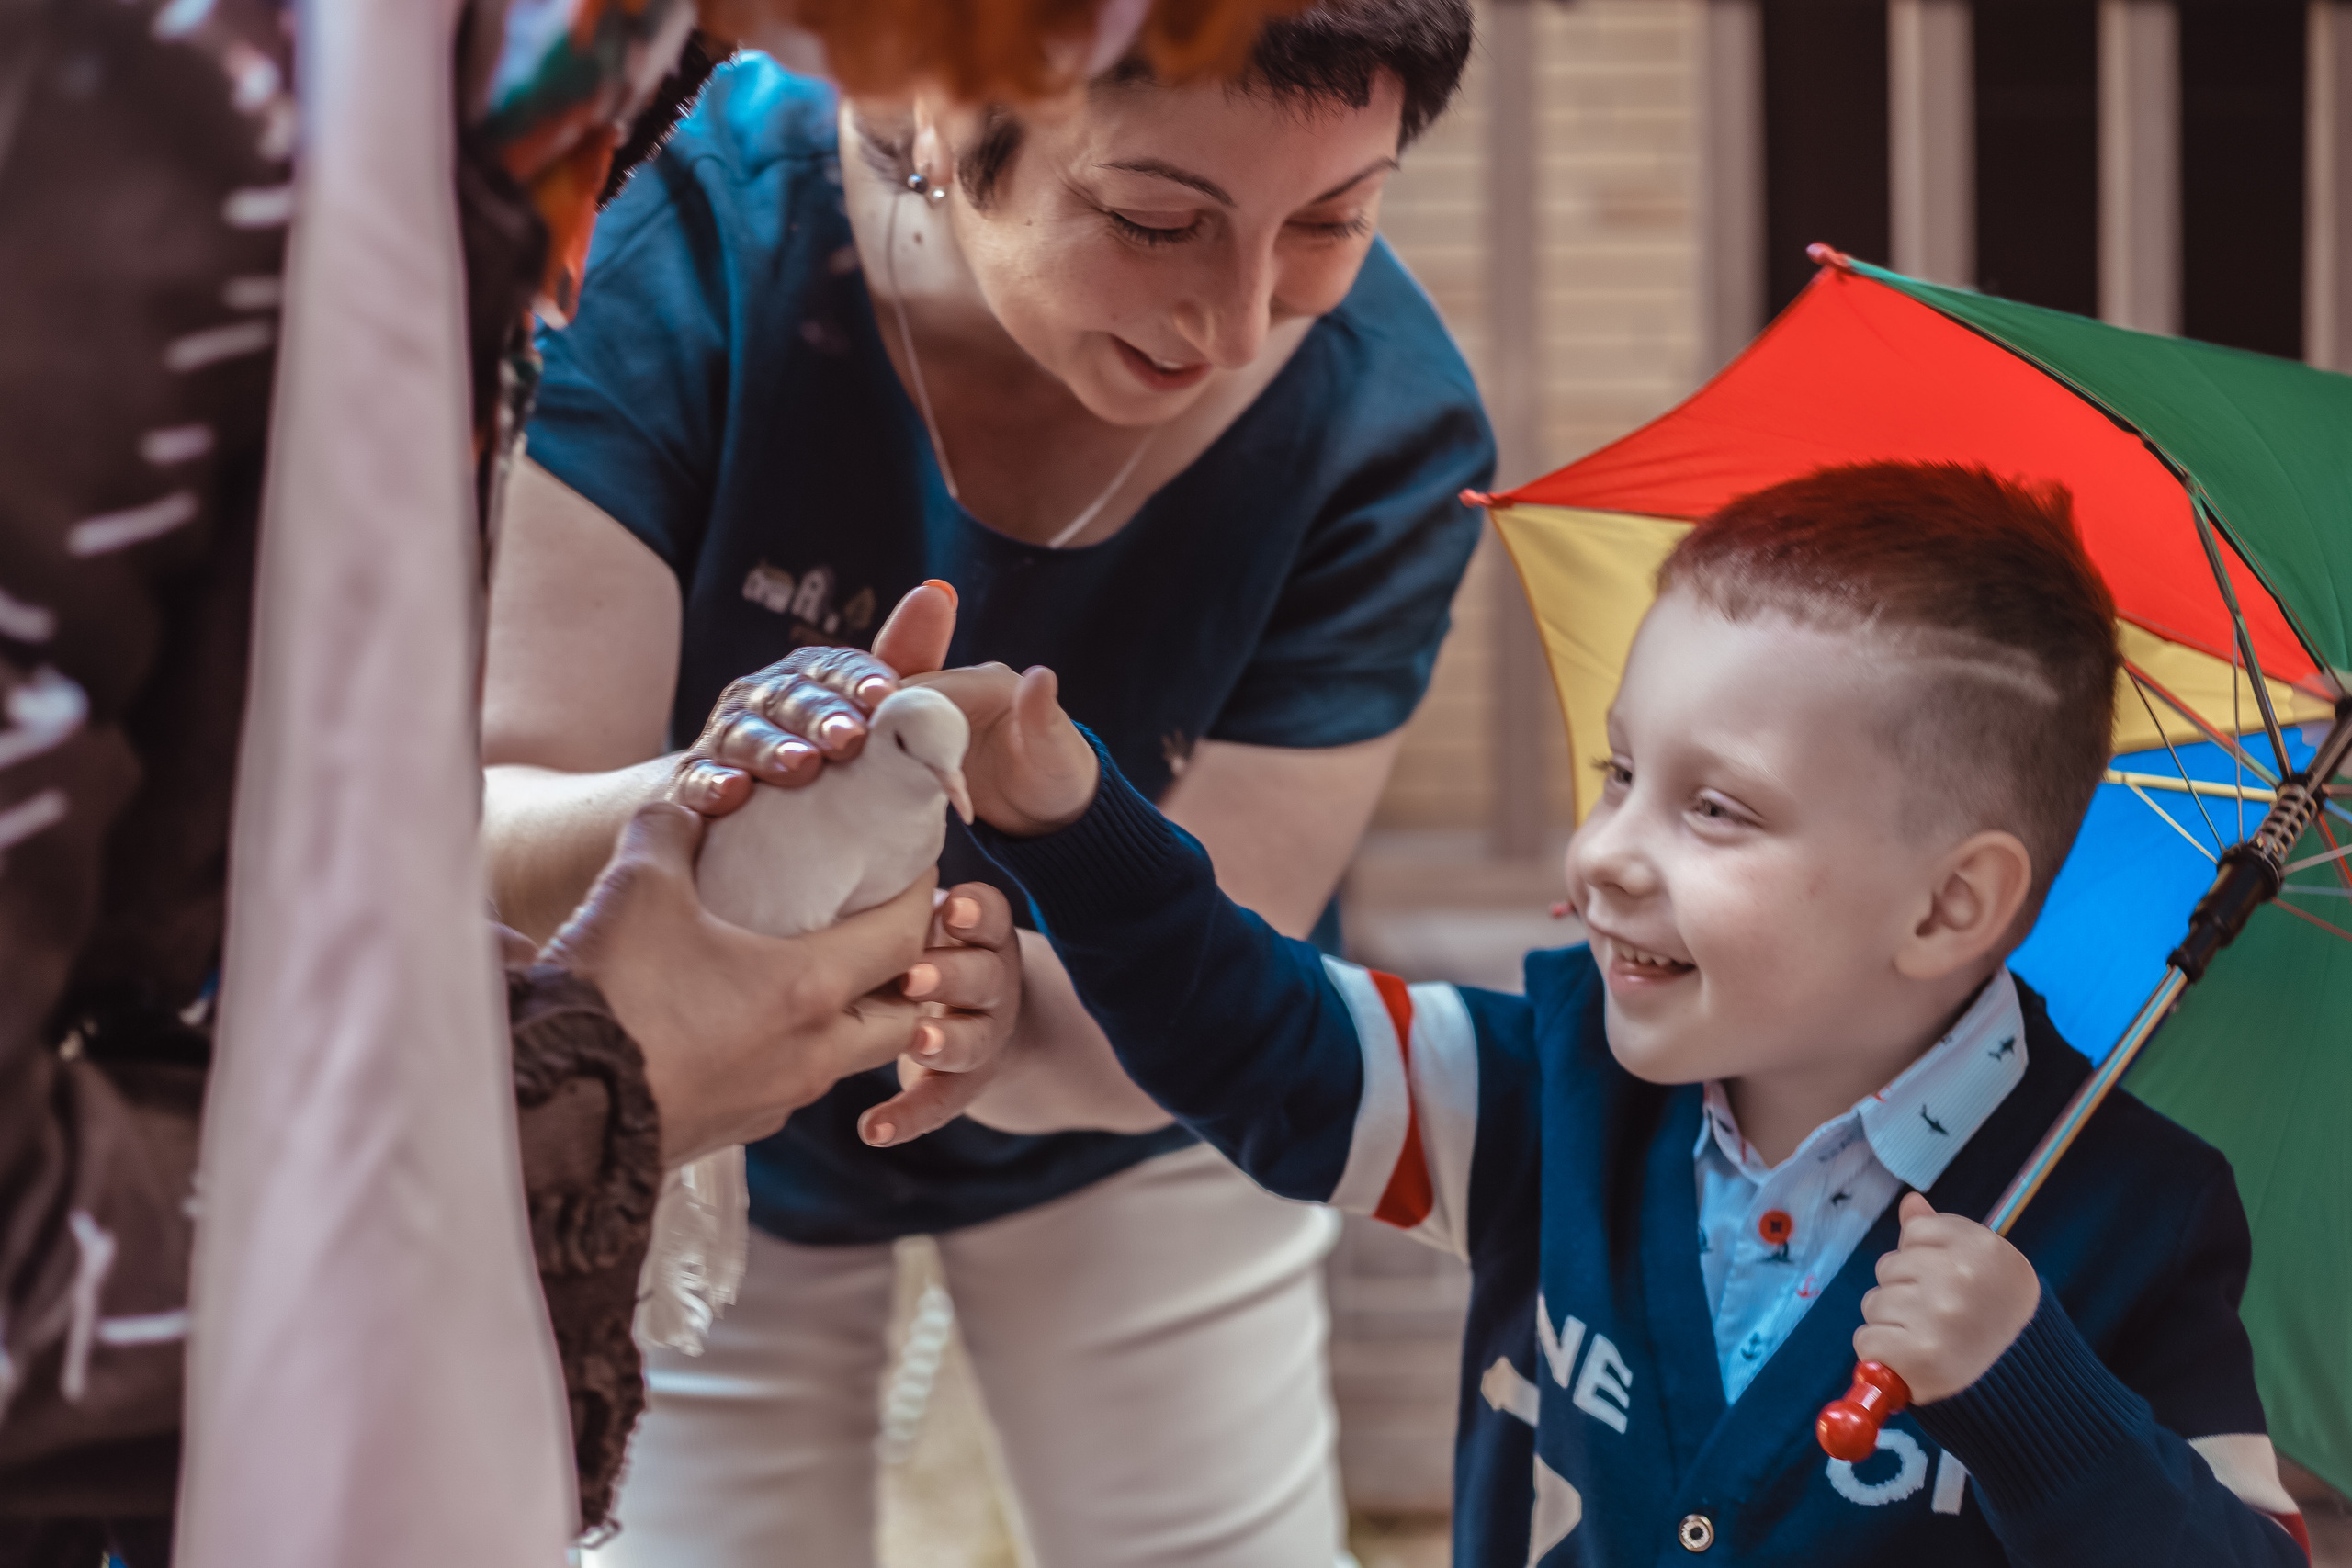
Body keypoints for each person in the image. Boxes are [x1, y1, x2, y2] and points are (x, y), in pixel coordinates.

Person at [0, 0, 1292, 1560]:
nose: (1238, 321)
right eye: (1156, 217)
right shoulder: (166, 119)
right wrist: (597, 1085)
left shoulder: (516, 124)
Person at [481, 1, 1489, 1560]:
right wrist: (735, 800)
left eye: (1336, 221)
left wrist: (1011, 1014)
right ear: (947, 111)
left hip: (1146, 1086)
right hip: (683, 1063)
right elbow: (501, 822)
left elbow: (1216, 980)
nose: (1235, 324)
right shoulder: (671, 224)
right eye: (1157, 221)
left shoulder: (1383, 425)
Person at [930, 461, 2313, 1564]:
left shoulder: (2132, 1219)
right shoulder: (1551, 1088)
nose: (1602, 855)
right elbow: (1261, 1045)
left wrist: (2035, 1393)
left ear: (1948, 907)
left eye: (1716, 808)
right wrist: (1074, 823)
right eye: (1620, 773)